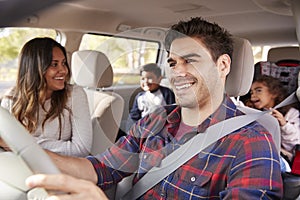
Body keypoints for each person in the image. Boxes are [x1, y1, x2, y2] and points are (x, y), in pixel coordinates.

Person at [25, 17, 283, 199]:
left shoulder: (251, 143)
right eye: (172, 63)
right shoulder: (155, 120)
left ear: (223, 66)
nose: (177, 73)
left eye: (190, 60)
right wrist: (26, 151)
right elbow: (100, 168)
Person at [0, 37, 93, 157]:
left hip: (61, 170)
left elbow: (81, 149)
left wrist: (20, 143)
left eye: (63, 63)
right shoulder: (11, 99)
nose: (64, 70)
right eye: (54, 64)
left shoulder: (74, 95)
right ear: (34, 69)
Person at [249, 75, 300, 162]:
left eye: (258, 91)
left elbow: (294, 143)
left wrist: (284, 124)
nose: (253, 95)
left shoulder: (290, 113)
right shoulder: (252, 113)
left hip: (282, 156)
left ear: (274, 93)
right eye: (251, 92)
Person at [127, 63, 175, 130]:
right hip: (144, 128)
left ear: (159, 79)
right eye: (143, 79)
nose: (146, 81)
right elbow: (134, 116)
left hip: (162, 127)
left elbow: (173, 112)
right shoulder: (140, 97)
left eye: (149, 78)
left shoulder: (166, 93)